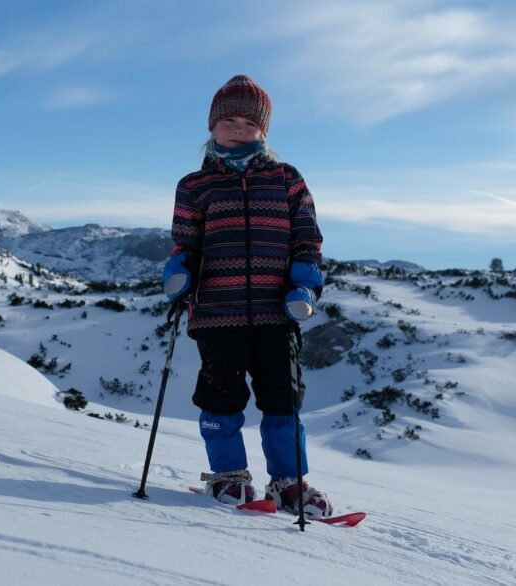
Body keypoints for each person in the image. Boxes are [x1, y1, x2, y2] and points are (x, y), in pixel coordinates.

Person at [162, 75, 333, 519]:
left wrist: (304, 286)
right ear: (212, 127)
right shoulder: (194, 186)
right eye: (227, 120)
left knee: (282, 401)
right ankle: (228, 475)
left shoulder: (288, 180)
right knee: (221, 397)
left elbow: (306, 242)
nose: (237, 129)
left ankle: (289, 482)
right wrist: (178, 273)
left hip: (278, 312)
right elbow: (185, 244)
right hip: (217, 312)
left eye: (247, 122)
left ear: (264, 130)